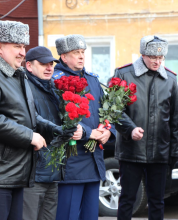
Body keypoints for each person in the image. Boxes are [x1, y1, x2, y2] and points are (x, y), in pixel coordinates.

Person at [0, 20, 59, 220]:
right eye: (17, 46)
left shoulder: (17, 75)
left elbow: (28, 116)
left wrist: (56, 130)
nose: (22, 52)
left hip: (17, 172)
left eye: (23, 46)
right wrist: (29, 136)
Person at [114, 35, 178, 220]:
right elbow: (114, 111)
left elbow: (175, 119)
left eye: (161, 58)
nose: (157, 62)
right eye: (153, 57)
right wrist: (130, 129)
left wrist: (173, 152)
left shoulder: (171, 79)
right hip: (131, 151)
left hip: (160, 151)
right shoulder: (124, 74)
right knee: (128, 199)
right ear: (142, 54)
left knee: (158, 200)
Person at [53, 34, 116, 220]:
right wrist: (90, 133)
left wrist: (108, 131)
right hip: (72, 161)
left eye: (82, 52)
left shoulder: (93, 79)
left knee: (90, 216)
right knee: (68, 215)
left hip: (94, 160)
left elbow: (105, 111)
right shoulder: (57, 81)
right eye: (75, 53)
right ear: (64, 57)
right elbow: (58, 118)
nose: (81, 56)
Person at [22, 46, 83, 220]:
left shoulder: (54, 89)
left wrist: (74, 127)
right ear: (29, 66)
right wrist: (58, 129)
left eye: (51, 64)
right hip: (33, 173)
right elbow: (32, 119)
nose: (49, 68)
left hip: (53, 171)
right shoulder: (25, 88)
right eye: (43, 64)